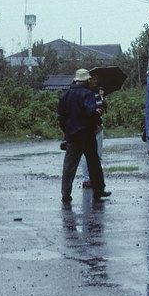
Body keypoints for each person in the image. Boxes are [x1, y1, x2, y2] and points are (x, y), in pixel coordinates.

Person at [59, 69, 110, 203]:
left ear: (76, 80)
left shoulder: (66, 95)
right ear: (86, 80)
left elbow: (61, 117)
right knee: (93, 163)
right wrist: (96, 124)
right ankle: (98, 191)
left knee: (69, 166)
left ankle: (65, 193)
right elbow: (90, 113)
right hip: (87, 135)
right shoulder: (87, 94)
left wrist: (66, 130)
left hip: (72, 136)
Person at [79, 72, 105, 188]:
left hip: (99, 126)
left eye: (97, 79)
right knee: (87, 155)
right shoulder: (86, 94)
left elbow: (104, 107)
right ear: (88, 80)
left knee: (98, 155)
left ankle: (95, 178)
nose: (95, 81)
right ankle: (87, 178)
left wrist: (102, 98)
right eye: (93, 79)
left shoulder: (99, 92)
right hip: (90, 127)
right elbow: (87, 111)